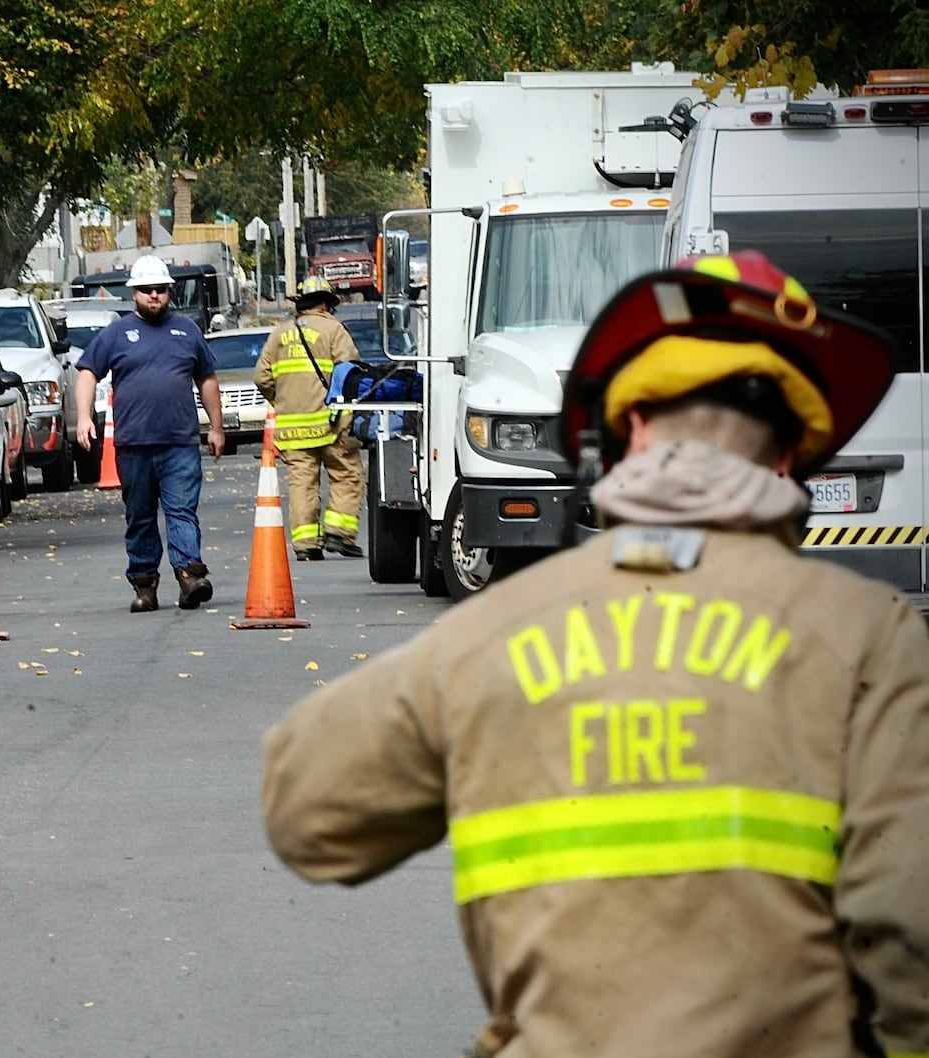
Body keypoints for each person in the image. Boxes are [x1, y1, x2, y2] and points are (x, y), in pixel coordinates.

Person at [260, 251, 929, 1058]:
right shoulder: (871, 635)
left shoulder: (491, 633)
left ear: (630, 431)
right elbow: (909, 923)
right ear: (791, 454)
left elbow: (309, 815)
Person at [74, 254, 225, 613]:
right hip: (133, 446)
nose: (154, 295)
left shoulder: (187, 330)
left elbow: (207, 379)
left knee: (181, 511)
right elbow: (87, 373)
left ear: (169, 292)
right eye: (146, 290)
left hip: (179, 443)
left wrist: (216, 427)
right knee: (139, 516)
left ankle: (190, 576)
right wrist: (83, 418)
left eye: (160, 289)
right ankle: (145, 585)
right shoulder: (115, 333)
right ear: (134, 293)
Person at [253, 275, 365, 560]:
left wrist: (283, 401)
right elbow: (350, 374)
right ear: (327, 303)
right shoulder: (334, 330)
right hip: (332, 423)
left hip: (292, 429)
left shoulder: (279, 333)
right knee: (346, 474)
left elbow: (262, 377)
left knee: (302, 483)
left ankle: (306, 545)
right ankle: (339, 534)